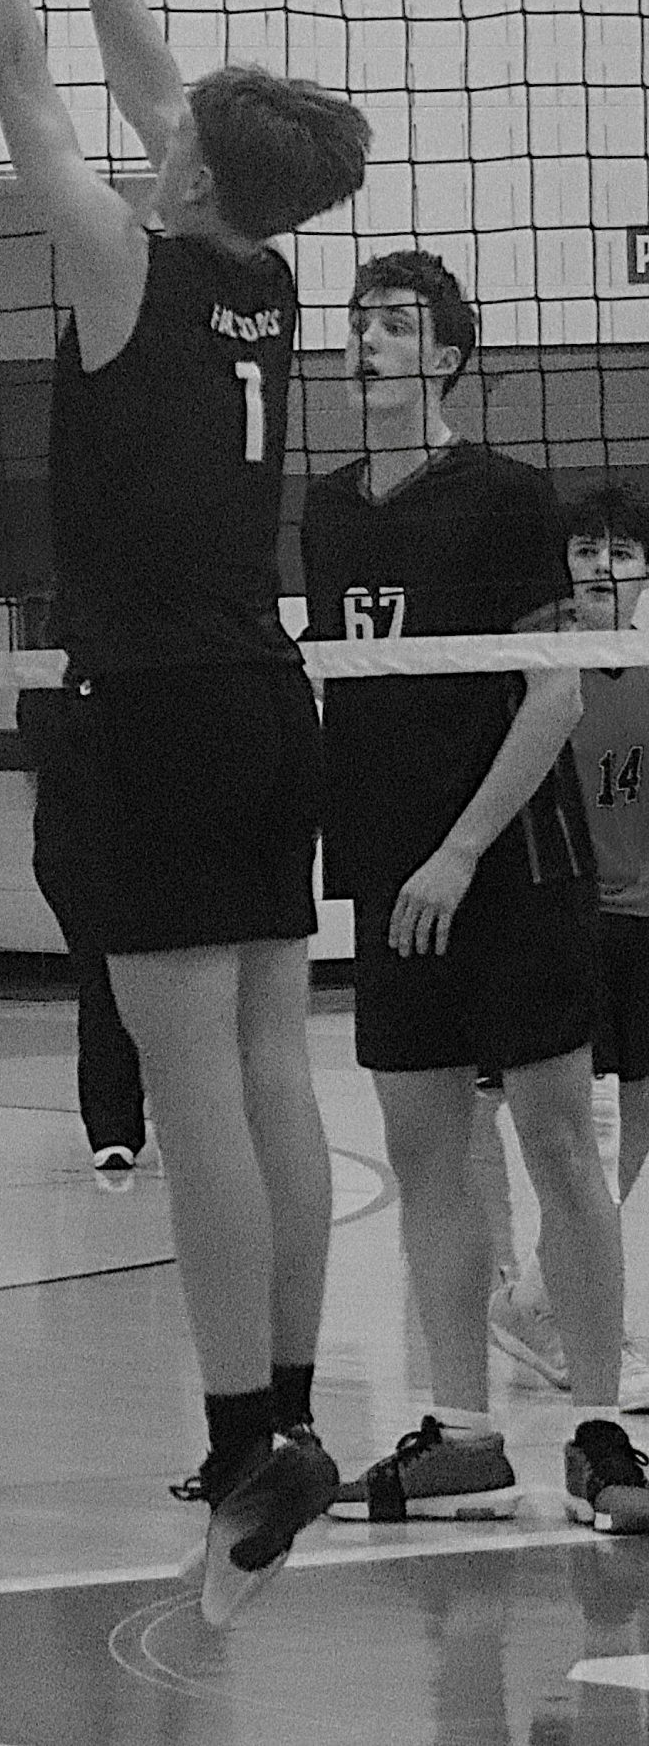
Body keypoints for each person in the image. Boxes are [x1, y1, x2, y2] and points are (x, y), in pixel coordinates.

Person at [0, 0, 363, 1625]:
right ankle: (285, 1423)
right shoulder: (258, 273)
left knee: (198, 1078)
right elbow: (136, 81)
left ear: (189, 168)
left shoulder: (124, 265)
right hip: (265, 697)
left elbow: (28, 78)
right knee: (274, 1058)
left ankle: (248, 1425)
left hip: (161, 703)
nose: (160, 120)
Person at [298, 253, 647, 1530]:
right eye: (357, 323)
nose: (367, 342)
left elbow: (553, 689)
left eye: (396, 325)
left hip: (510, 866)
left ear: (447, 354)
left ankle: (603, 1431)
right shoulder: (325, 508)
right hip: (390, 878)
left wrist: (457, 849)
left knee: (556, 1141)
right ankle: (462, 1432)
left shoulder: (508, 495)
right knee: (426, 1154)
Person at [480, 480, 649, 1412]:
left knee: (635, 1132)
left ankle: (543, 1296)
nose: (599, 566)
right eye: (585, 550)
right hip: (574, 920)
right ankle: (562, 1306)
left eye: (618, 550)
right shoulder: (545, 667)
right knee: (584, 1132)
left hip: (645, 921)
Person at [18, 665, 146, 1179]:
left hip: (159, 839)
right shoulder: (56, 658)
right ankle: (113, 1129)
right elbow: (37, 733)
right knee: (102, 979)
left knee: (178, 985)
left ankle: (199, 1115)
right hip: (76, 845)